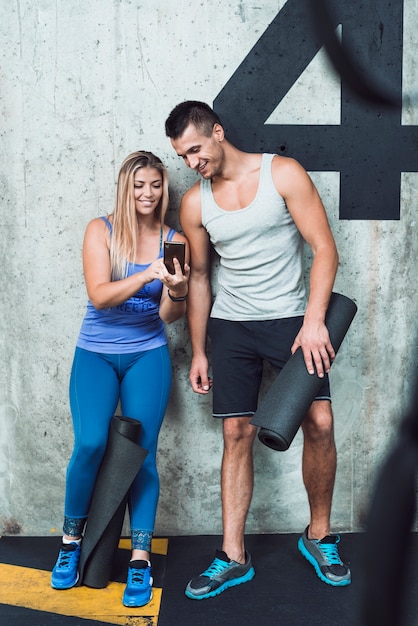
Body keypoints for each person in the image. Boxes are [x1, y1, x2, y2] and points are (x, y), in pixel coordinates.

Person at [165, 101, 351, 600]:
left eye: (196, 150)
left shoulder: (282, 174)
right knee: (236, 432)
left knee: (320, 422)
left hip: (293, 319)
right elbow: (201, 277)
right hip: (232, 326)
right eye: (183, 157)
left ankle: (318, 536)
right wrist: (199, 349)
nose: (192, 163)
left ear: (218, 133)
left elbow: (325, 248)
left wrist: (313, 323)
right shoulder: (194, 204)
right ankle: (233, 555)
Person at [50, 151, 189, 607]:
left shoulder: (174, 239)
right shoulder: (101, 230)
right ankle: (71, 544)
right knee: (90, 443)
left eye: (154, 185)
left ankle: (140, 559)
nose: (147, 194)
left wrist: (177, 290)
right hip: (95, 353)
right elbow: (100, 296)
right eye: (138, 185)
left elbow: (169, 316)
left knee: (141, 458)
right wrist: (150, 273)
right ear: (125, 188)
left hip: (147, 355)